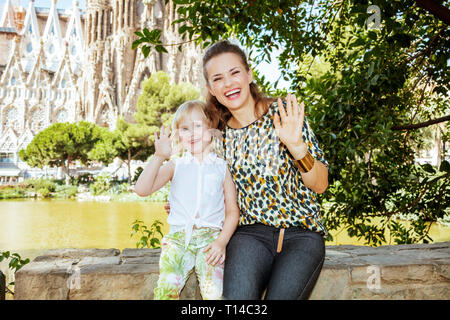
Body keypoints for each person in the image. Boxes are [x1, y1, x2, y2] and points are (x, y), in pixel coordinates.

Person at [202, 40, 330, 300]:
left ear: (249, 74)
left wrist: (296, 147)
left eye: (234, 72)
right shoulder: (218, 138)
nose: (228, 83)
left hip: (301, 235)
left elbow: (320, 185)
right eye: (218, 78)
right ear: (211, 89)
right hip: (250, 236)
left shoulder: (285, 116)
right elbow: (219, 195)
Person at [134, 100, 240, 300]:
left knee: (214, 293)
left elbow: (232, 211)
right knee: (166, 291)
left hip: (210, 240)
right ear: (178, 135)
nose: (191, 134)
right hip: (178, 240)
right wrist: (158, 156)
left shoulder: (221, 167)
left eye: (198, 126)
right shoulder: (176, 165)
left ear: (211, 130)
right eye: (184, 128)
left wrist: (221, 242)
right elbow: (142, 189)